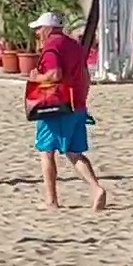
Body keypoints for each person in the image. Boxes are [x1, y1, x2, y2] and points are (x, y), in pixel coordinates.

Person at [26, 12, 107, 211]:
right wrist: (82, 101)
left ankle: (51, 201)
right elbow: (86, 77)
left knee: (46, 151)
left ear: (47, 29)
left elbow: (54, 74)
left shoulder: (52, 47)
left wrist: (36, 77)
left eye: (39, 29)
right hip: (76, 104)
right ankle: (96, 189)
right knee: (73, 152)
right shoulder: (73, 46)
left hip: (57, 106)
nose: (37, 34)